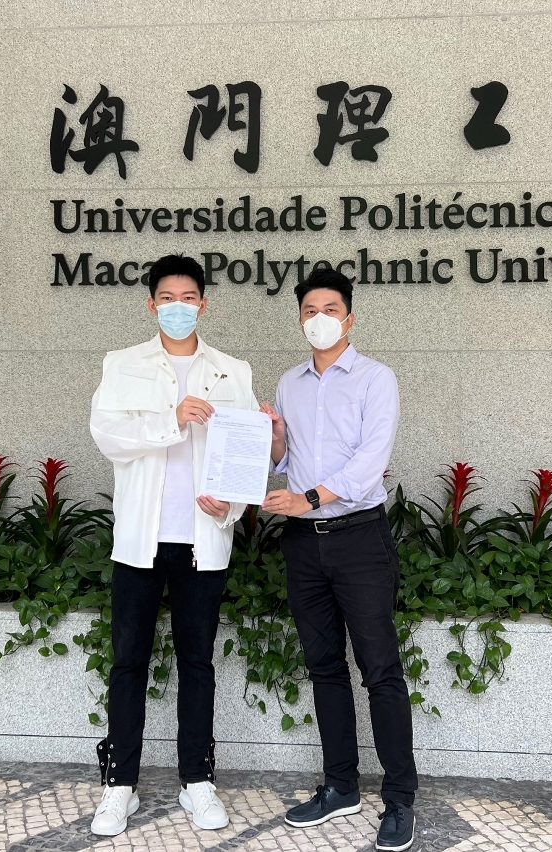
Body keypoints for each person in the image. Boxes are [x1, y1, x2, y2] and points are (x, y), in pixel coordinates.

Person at [88, 254, 257, 836]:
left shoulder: (232, 371)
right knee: (128, 661)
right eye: (167, 297)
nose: (178, 306)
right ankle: (120, 786)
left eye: (188, 297)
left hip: (202, 539)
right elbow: (108, 436)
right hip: (142, 538)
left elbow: (243, 456)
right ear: (151, 304)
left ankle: (197, 781)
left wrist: (230, 507)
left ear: (203, 304)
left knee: (197, 662)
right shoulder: (123, 364)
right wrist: (172, 418)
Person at [260, 268, 417, 851]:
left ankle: (399, 799)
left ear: (349, 317)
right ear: (299, 319)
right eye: (309, 310)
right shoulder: (289, 383)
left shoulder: (376, 378)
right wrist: (276, 438)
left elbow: (371, 461)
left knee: (380, 669)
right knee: (324, 667)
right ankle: (340, 786)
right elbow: (283, 462)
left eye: (329, 309)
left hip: (359, 540)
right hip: (304, 544)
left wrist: (310, 498)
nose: (319, 318)